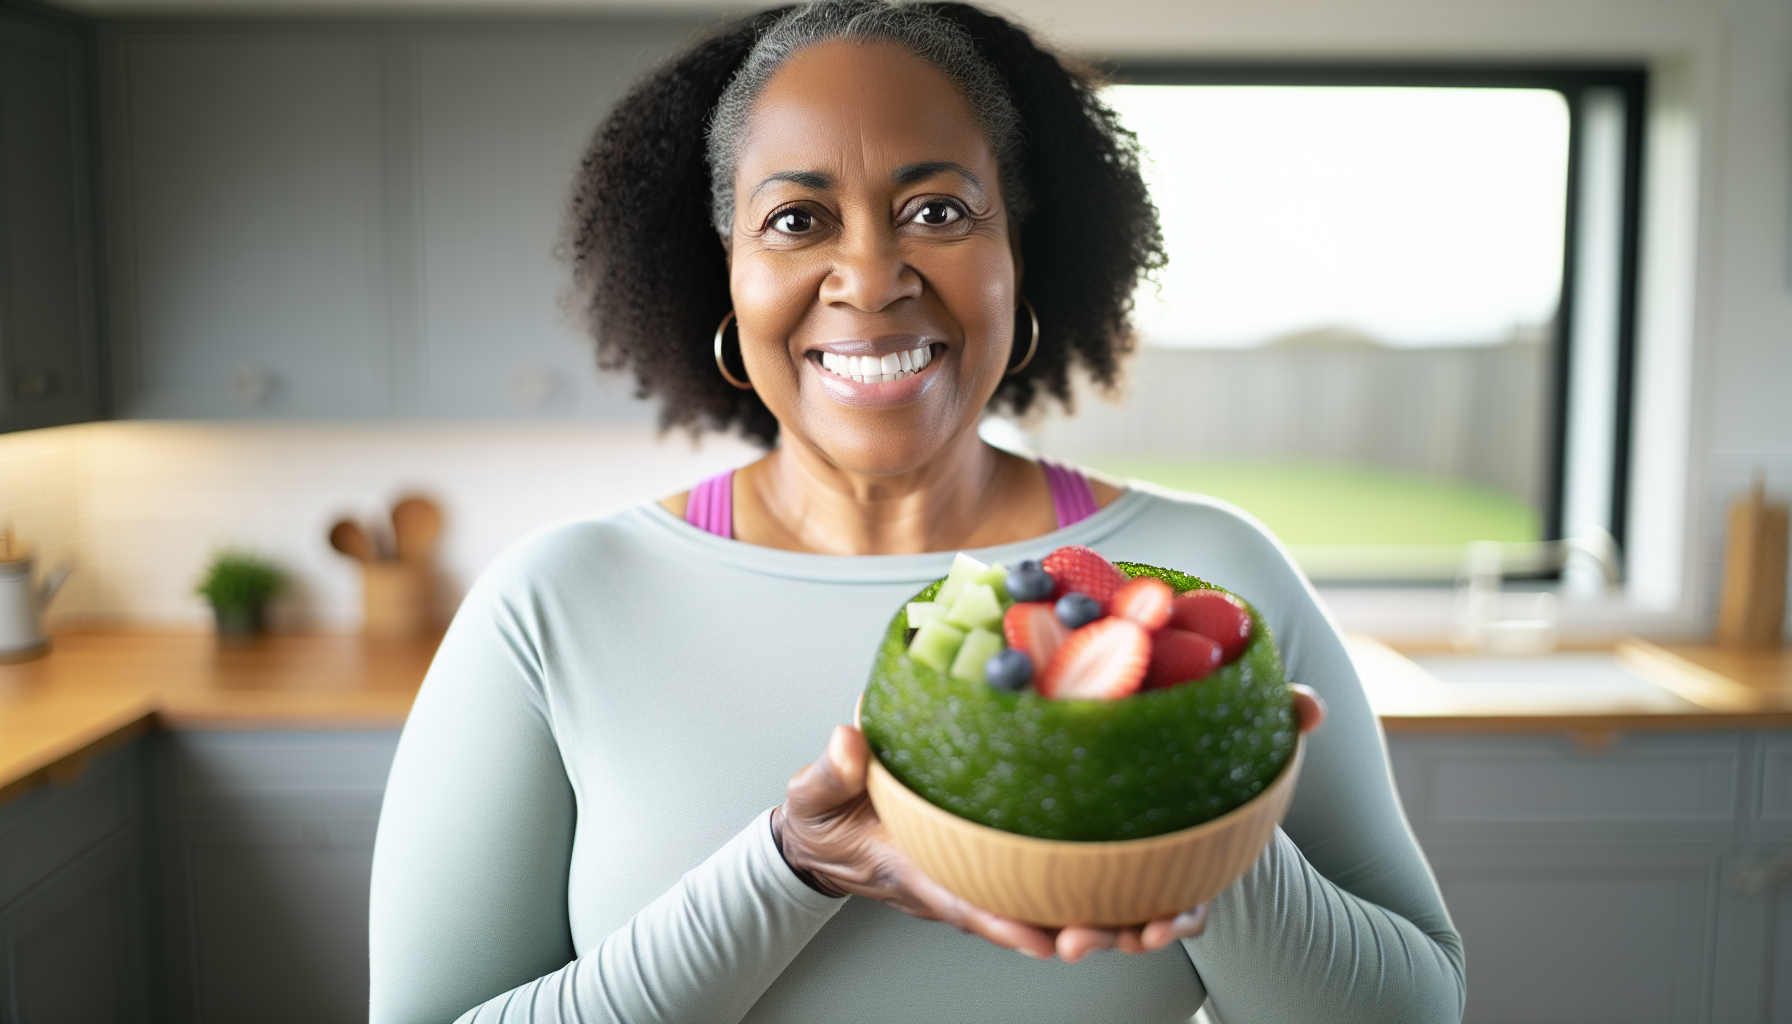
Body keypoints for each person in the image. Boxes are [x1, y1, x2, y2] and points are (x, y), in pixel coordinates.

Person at [368, 3, 1466, 1021]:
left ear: (1018, 256)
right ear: (728, 277)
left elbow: (1418, 1005)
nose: (870, 273)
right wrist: (789, 867)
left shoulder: (1205, 579)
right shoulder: (554, 603)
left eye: (935, 210)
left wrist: (1194, 812)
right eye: (797, 219)